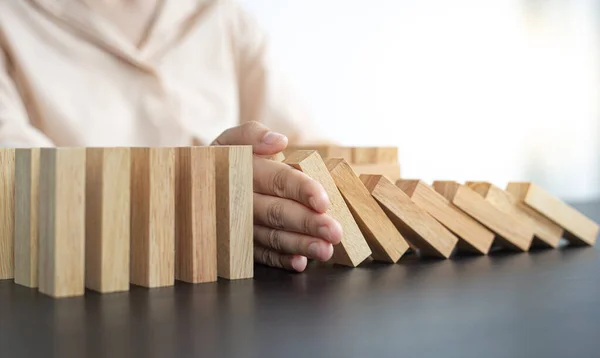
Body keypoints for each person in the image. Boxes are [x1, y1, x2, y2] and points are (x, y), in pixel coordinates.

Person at [0, 0, 343, 272]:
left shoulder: (223, 16)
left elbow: (314, 158)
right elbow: (13, 184)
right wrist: (201, 199)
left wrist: (294, 199)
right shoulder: (9, 20)